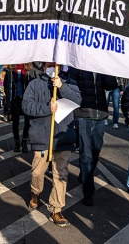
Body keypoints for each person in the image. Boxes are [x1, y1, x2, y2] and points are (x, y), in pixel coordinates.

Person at [23, 63, 81, 227]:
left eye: (56, 63)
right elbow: (26, 106)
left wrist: (62, 87)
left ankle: (56, 209)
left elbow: (78, 101)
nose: (52, 66)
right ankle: (36, 192)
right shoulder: (35, 84)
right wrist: (47, 108)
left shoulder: (70, 82)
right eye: (49, 63)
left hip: (63, 137)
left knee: (60, 174)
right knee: (37, 172)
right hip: (42, 136)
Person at [71, 68, 118, 206]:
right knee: (86, 155)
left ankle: (84, 175)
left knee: (96, 150)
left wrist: (107, 67)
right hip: (84, 115)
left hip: (100, 114)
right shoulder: (78, 66)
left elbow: (111, 85)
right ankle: (88, 192)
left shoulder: (102, 65)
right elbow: (73, 87)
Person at [4, 64, 30, 152]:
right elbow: (6, 86)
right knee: (15, 122)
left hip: (26, 100)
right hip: (15, 99)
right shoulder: (10, 71)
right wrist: (7, 102)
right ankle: (16, 143)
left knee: (28, 121)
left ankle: (24, 142)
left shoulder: (27, 70)